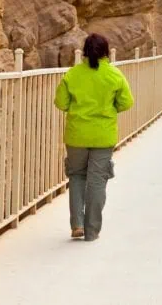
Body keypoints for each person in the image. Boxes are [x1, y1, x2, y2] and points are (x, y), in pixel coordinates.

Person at [54, 34, 134, 241]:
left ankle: (77, 224)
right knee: (97, 181)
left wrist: (77, 109)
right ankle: (92, 231)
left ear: (85, 51)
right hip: (103, 136)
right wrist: (109, 110)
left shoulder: (73, 74)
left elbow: (61, 102)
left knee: (77, 176)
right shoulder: (114, 75)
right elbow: (126, 102)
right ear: (106, 52)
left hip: (77, 135)